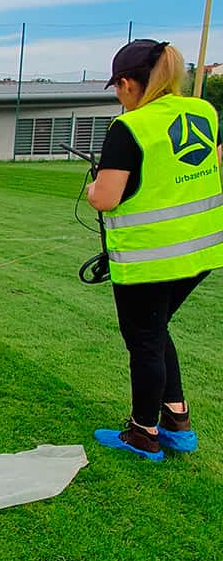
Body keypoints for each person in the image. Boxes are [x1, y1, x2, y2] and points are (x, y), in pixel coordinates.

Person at [86, 39, 223, 461]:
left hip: (151, 257)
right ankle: (177, 421)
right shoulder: (203, 111)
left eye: (117, 87)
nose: (117, 95)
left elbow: (106, 197)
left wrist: (93, 185)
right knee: (156, 331)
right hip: (199, 252)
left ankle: (144, 432)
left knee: (144, 339)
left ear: (129, 84)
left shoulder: (130, 127)